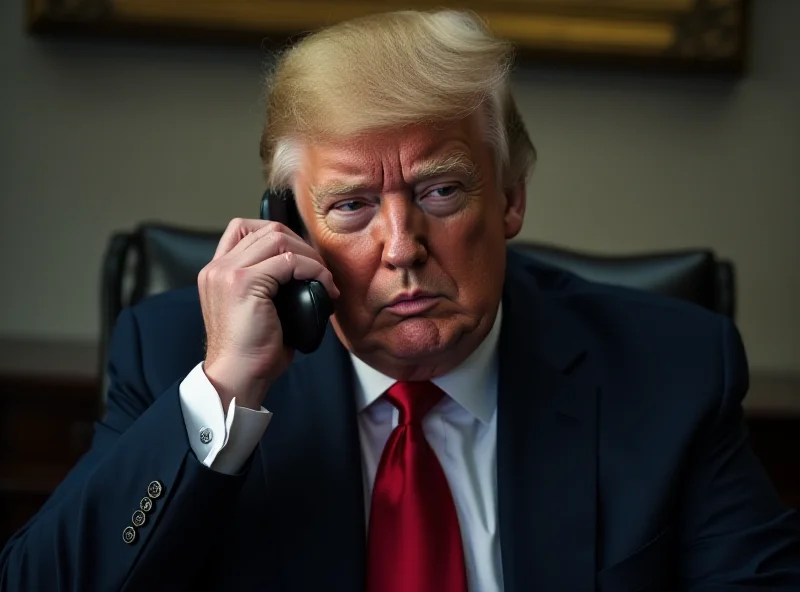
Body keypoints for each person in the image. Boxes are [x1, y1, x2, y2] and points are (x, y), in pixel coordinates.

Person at [2, 8, 800, 591]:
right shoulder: (179, 358)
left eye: (442, 189)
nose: (401, 245)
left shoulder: (669, 372)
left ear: (511, 198)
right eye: (350, 206)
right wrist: (224, 396)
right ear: (291, 224)